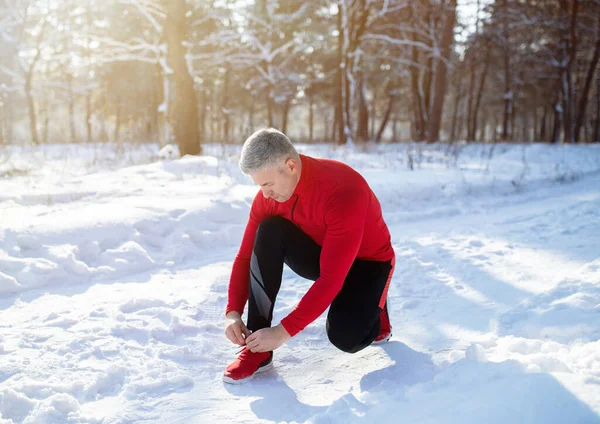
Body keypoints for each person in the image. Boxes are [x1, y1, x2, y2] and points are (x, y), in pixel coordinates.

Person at [223, 128, 395, 384]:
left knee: (347, 338)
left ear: (290, 166)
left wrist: (283, 332)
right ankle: (257, 349)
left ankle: (376, 305)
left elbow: (330, 279)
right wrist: (233, 313)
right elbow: (245, 258)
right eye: (260, 186)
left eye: (268, 184)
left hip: (367, 263)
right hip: (324, 253)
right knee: (269, 229)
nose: (265, 194)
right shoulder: (268, 197)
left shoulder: (343, 190)